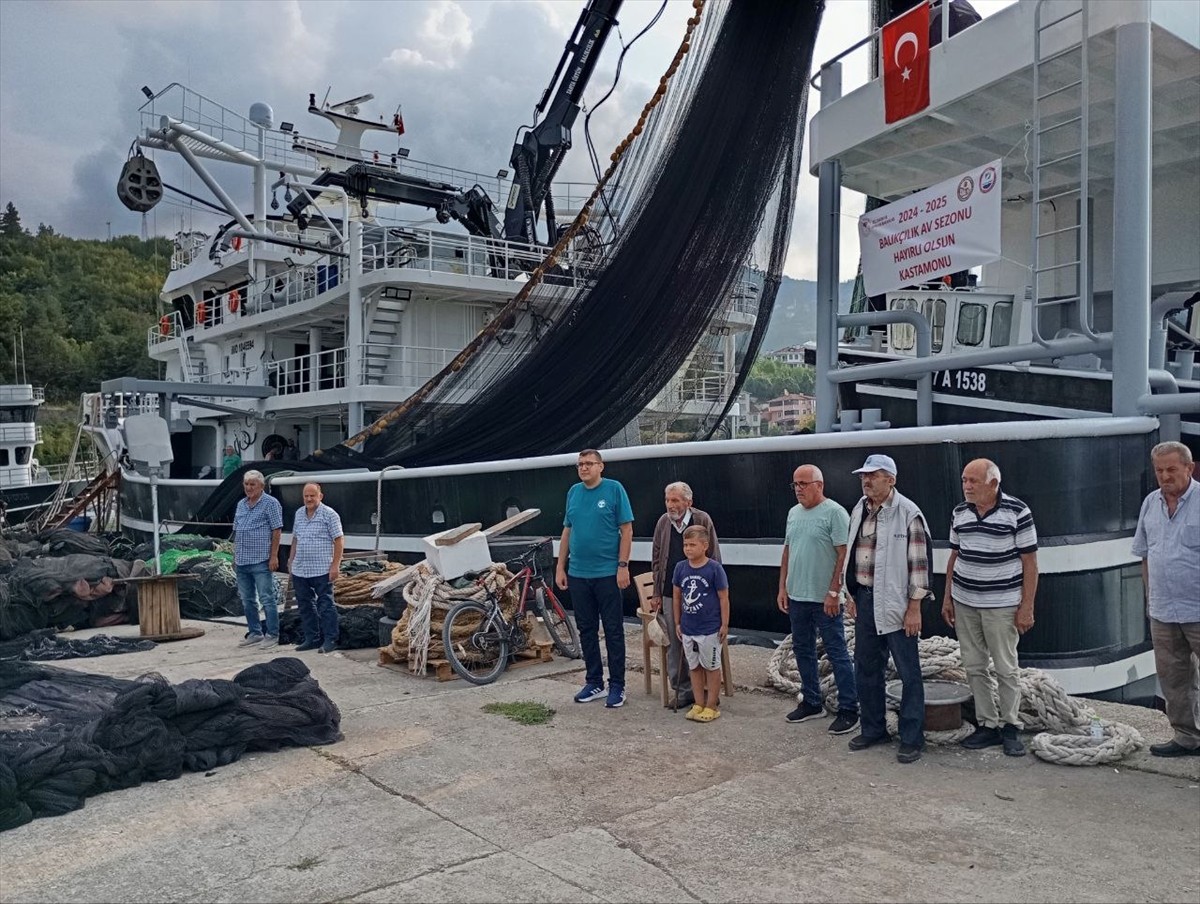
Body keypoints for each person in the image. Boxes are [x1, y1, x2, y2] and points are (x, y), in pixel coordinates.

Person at [942, 459, 1038, 758]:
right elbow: (954, 556)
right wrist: (948, 598)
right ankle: (988, 725)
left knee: (1007, 668)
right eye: (964, 480)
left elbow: (1030, 563)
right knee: (974, 666)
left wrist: (1027, 607)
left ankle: (1011, 726)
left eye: (973, 481)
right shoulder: (960, 512)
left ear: (993, 484)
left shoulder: (1017, 512)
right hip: (965, 601)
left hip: (1001, 604)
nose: (967, 486)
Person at [841, 453, 932, 764]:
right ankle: (873, 728)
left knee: (909, 673)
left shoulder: (908, 514)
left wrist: (914, 608)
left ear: (891, 479)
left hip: (898, 603)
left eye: (874, 475)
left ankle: (911, 738)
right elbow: (854, 555)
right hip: (865, 601)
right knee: (866, 668)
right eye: (864, 476)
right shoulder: (859, 509)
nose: (866, 480)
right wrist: (850, 594)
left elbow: (919, 566)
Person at [777, 464, 858, 735]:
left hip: (825, 598)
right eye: (795, 484)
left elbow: (843, 554)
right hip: (797, 595)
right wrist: (782, 587)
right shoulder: (793, 513)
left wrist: (835, 592)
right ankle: (812, 701)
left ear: (819, 485)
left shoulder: (835, 513)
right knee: (803, 649)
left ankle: (850, 708)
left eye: (803, 483)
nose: (798, 489)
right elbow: (788, 551)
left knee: (837, 652)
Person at [1132, 441, 1200, 758]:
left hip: (1197, 607)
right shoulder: (1150, 503)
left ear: (1190, 468)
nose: (1165, 476)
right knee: (1174, 678)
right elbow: (1145, 555)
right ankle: (1187, 738)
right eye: (1159, 470)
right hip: (1163, 609)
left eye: (1172, 469)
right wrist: (1150, 599)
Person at [556, 449, 634, 709]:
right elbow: (568, 530)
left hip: (607, 574)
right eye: (580, 464)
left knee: (613, 630)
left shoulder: (614, 490)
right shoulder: (573, 492)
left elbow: (626, 530)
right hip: (579, 574)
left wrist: (622, 566)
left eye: (589, 463)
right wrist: (560, 567)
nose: (583, 468)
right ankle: (594, 682)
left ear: (601, 466)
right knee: (586, 629)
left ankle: (618, 685)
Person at [650, 481, 721, 710]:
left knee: (706, 641)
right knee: (676, 641)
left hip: (702, 592)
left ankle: (708, 692)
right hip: (673, 592)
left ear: (688, 502)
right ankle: (681, 689)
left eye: (675, 500)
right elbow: (657, 556)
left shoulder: (703, 520)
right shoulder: (663, 522)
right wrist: (657, 593)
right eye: (668, 500)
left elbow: (715, 555)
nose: (670, 505)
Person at [673, 525, 730, 723]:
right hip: (688, 628)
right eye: (685, 545)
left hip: (709, 629)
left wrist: (724, 625)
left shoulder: (715, 569)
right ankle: (698, 702)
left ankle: (712, 705)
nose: (688, 549)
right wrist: (677, 622)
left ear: (705, 546)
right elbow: (677, 596)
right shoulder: (680, 568)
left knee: (711, 667)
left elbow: (724, 598)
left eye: (692, 545)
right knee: (694, 666)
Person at [288, 482, 345, 654]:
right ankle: (311, 638)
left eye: (312, 495)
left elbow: (339, 540)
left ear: (320, 496)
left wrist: (335, 565)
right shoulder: (299, 513)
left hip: (321, 568)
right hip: (301, 568)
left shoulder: (329, 515)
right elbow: (296, 538)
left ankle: (330, 639)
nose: (309, 499)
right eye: (306, 496)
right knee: (305, 604)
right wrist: (291, 559)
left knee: (325, 603)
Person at [233, 470, 283, 648]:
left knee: (267, 598)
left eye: (252, 484)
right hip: (242, 560)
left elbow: (277, 530)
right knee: (247, 600)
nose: (248, 487)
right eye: (246, 484)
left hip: (261, 559)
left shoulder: (271, 503)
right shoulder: (241, 504)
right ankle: (255, 632)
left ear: (261, 486)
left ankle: (273, 634)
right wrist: (234, 556)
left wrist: (274, 556)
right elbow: (237, 531)